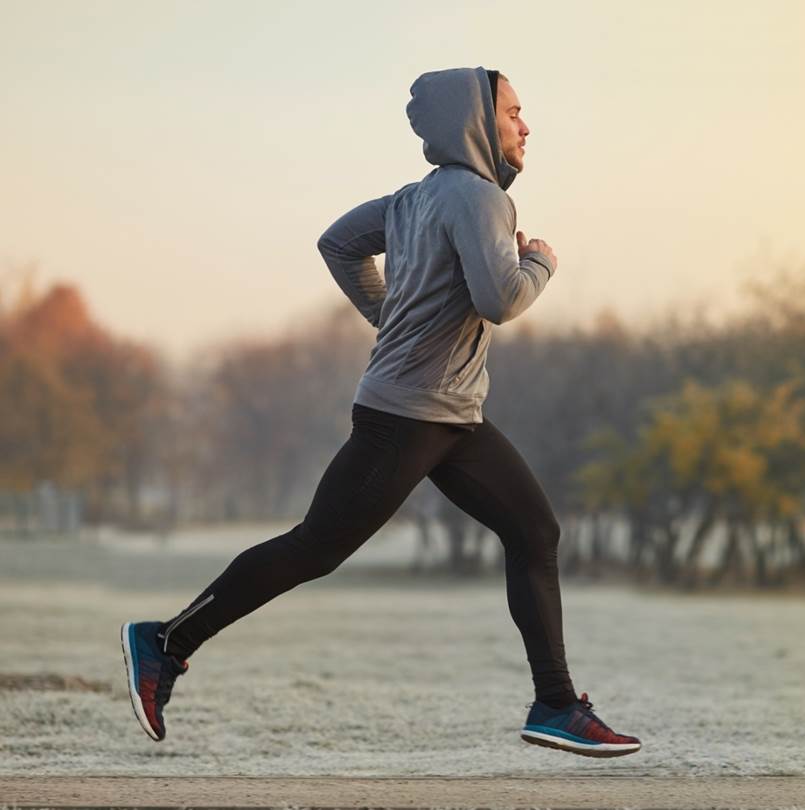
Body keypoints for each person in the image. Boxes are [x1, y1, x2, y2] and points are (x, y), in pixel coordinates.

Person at [119, 66, 642, 758]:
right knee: (315, 547)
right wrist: (540, 263)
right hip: (408, 417)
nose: (525, 126)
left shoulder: (414, 200)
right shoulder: (482, 199)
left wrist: (387, 312)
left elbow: (337, 242)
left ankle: (555, 704)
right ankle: (165, 642)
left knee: (534, 531)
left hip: (454, 417)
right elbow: (501, 299)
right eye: (513, 112)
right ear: (477, 121)